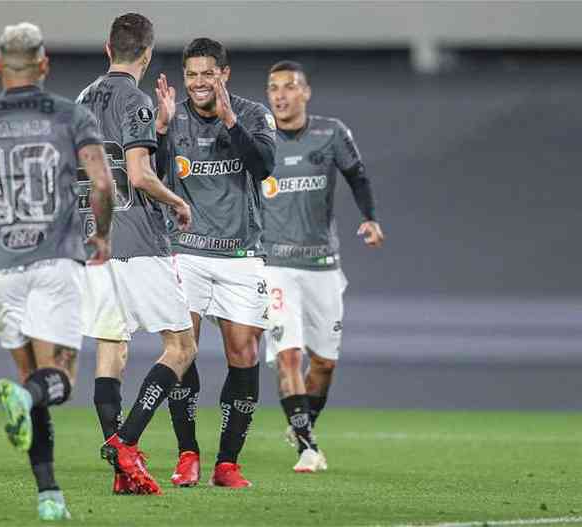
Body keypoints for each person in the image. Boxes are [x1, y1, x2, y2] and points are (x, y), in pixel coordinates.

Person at [0, 22, 113, 520]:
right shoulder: (71, 117)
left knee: (31, 380)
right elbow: (101, 184)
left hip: (1, 268)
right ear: (44, 64)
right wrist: (101, 234)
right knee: (57, 380)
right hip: (55, 259)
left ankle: (49, 494)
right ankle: (25, 405)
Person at [76, 13, 197, 496]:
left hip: (96, 244)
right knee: (181, 346)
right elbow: (141, 174)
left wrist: (160, 129)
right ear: (146, 54)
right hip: (139, 242)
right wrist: (177, 201)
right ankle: (126, 443)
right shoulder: (135, 99)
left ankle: (122, 473)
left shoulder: (82, 101)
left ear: (108, 48)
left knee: (111, 350)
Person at [155, 37, 276, 488]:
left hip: (243, 255)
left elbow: (264, 166)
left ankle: (227, 463)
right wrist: (163, 131)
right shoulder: (173, 114)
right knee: (180, 353)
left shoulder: (251, 114)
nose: (199, 82)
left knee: (243, 354)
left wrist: (229, 121)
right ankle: (188, 453)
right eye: (192, 74)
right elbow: (159, 176)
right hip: (186, 251)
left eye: (208, 73)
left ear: (224, 74)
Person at [262, 60, 384, 472]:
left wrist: (369, 218)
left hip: (323, 265)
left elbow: (358, 176)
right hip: (275, 265)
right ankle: (307, 447)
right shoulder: (259, 137)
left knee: (325, 364)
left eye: (289, 86)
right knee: (289, 356)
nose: (280, 94)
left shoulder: (331, 133)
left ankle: (302, 425)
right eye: (273, 87)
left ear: (305, 93)